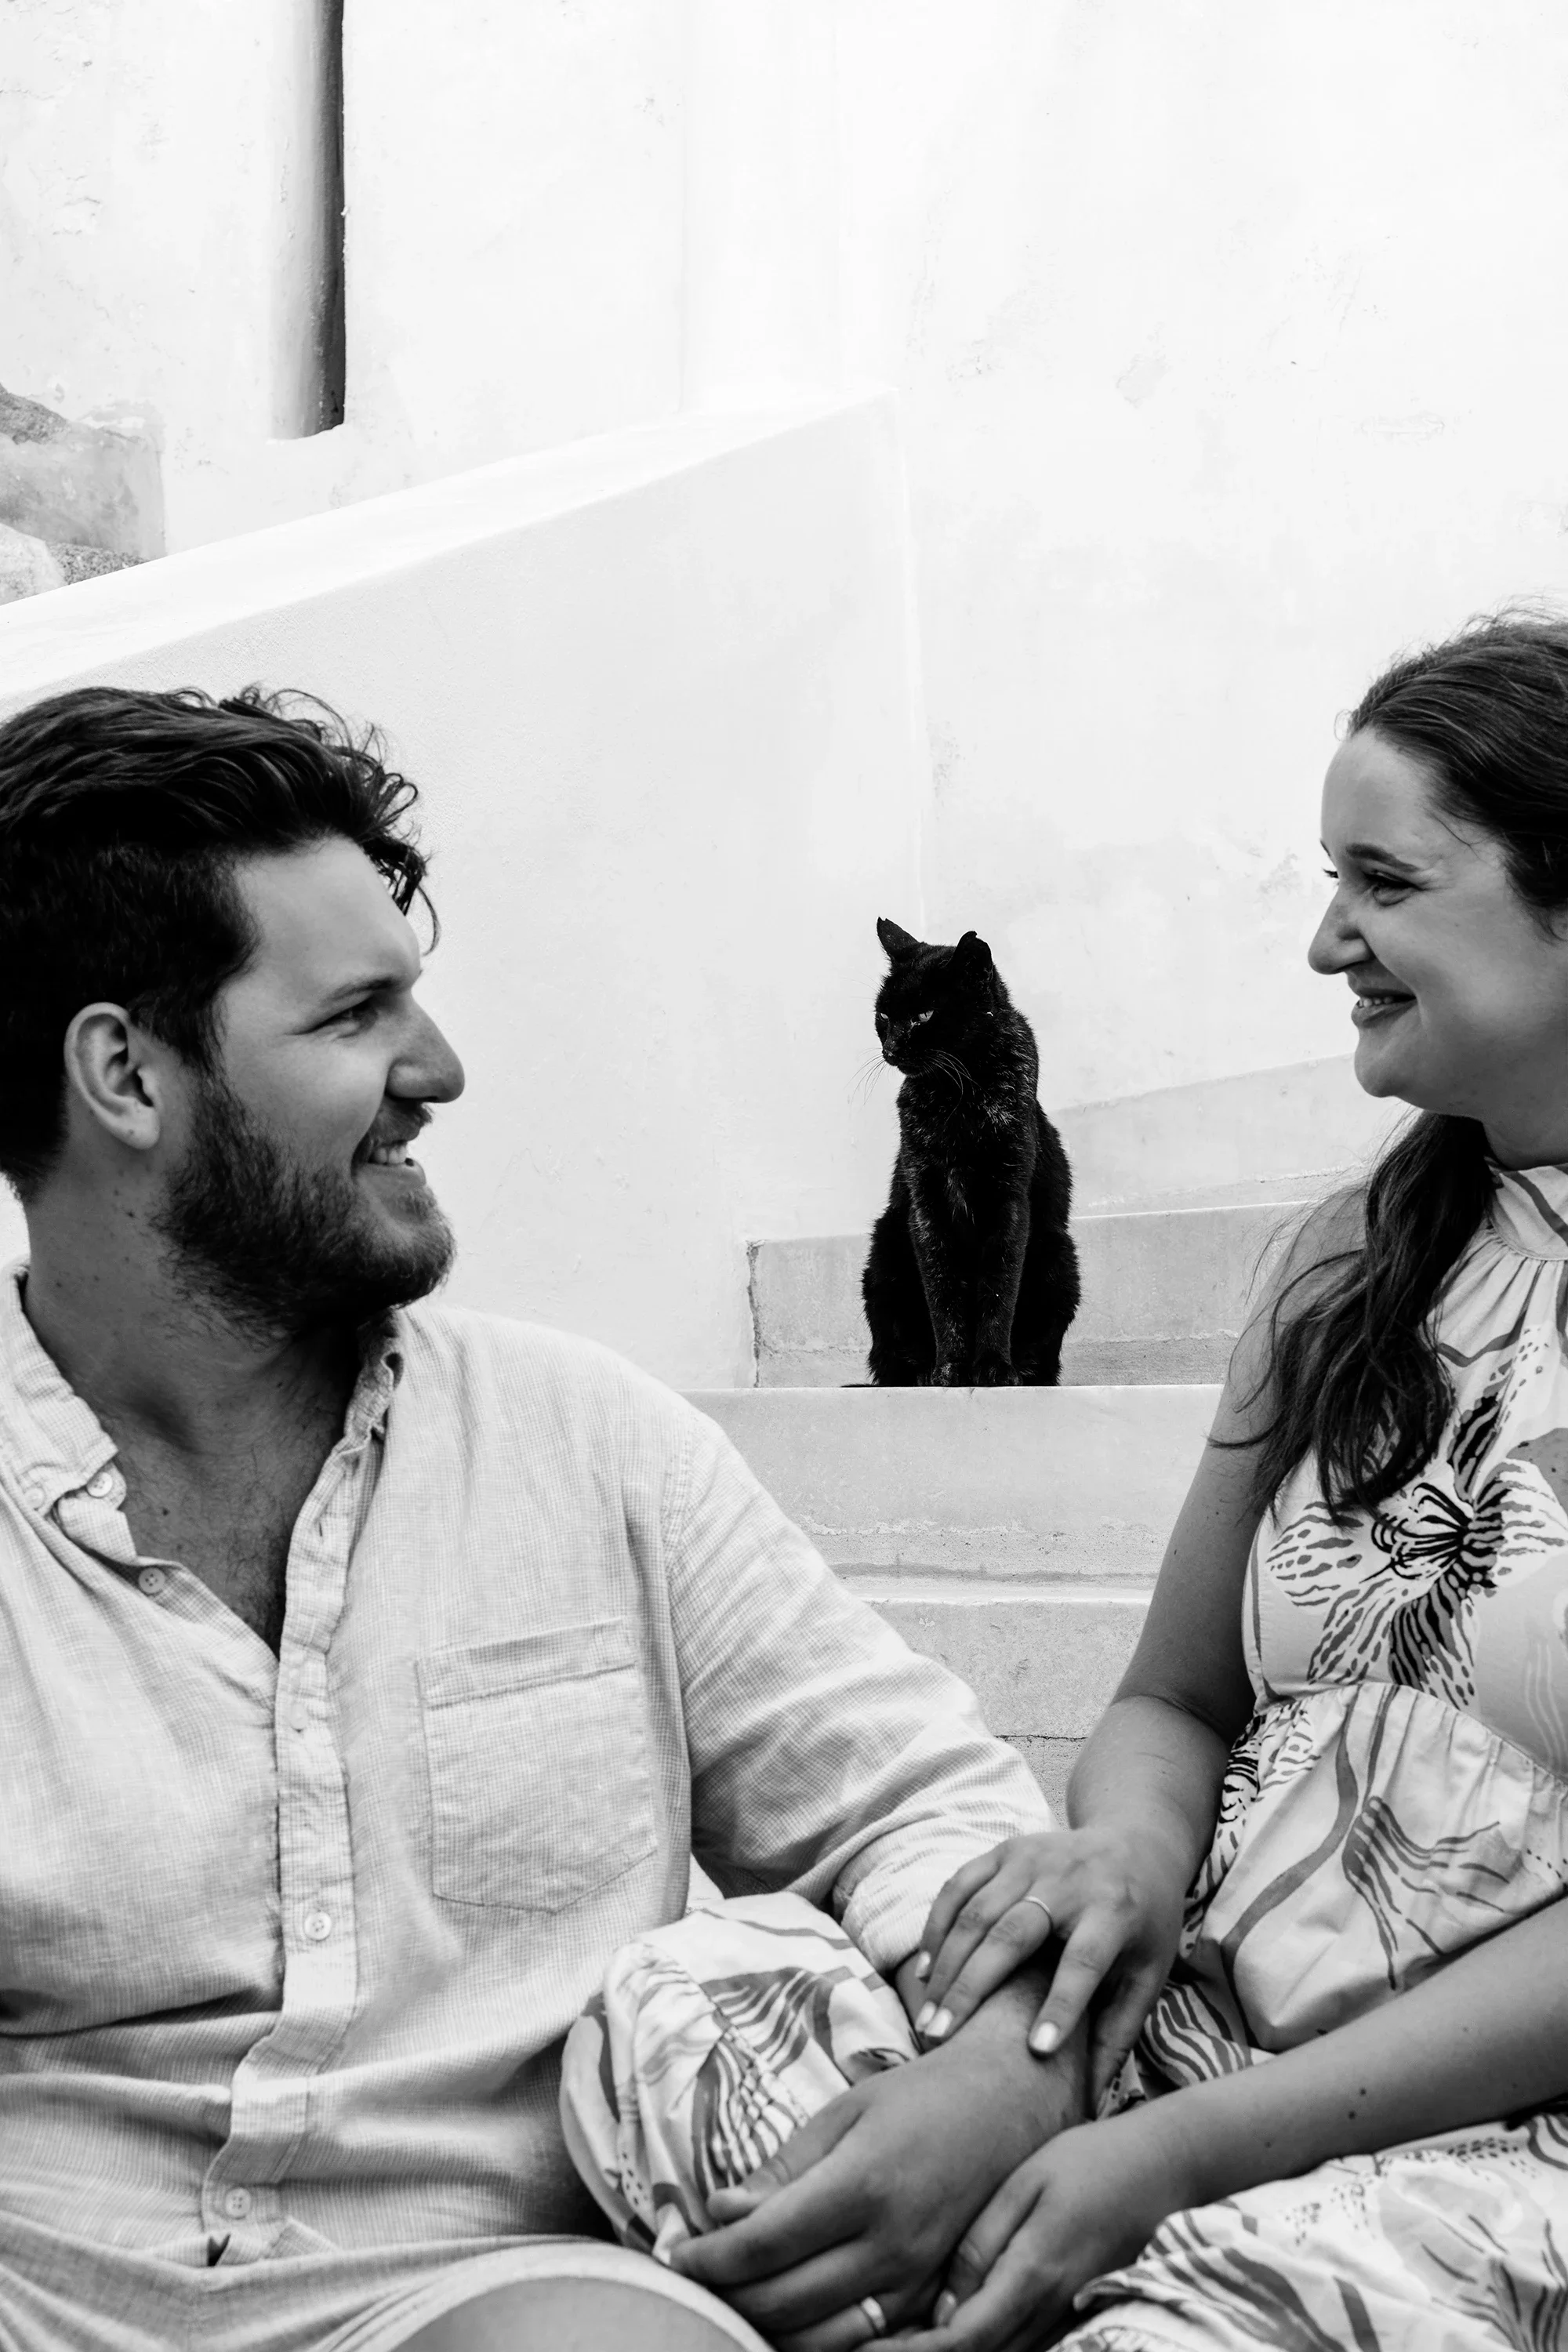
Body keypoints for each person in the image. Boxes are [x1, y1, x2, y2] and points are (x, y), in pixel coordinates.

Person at [0, 684, 1081, 2352]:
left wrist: (1007, 2081)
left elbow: (937, 1823)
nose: (440, 1070)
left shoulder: (588, 1446)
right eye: (359, 1016)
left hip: (490, 2304)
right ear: (125, 1075)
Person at [898, 612, 1568, 2352]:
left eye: (1385, 882)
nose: (1324, 940)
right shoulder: (1347, 1264)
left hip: (1500, 2137)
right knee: (682, 2027)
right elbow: (1173, 1697)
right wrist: (1116, 1863)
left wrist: (1191, 2158)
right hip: (1186, 2031)